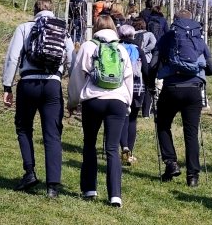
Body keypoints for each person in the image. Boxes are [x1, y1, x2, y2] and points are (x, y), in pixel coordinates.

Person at [2, 0, 75, 198]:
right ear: (52, 10)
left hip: (28, 83)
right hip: (53, 84)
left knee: (24, 127)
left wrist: (7, 85)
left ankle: (29, 172)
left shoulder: (24, 28)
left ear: (35, 11)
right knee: (52, 134)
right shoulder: (63, 29)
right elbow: (72, 58)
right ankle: (53, 186)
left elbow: (13, 57)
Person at [68, 15, 134, 207]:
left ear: (95, 27)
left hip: (93, 99)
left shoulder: (89, 46)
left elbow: (77, 75)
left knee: (89, 143)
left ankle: (90, 189)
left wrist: (72, 101)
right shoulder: (121, 48)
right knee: (112, 148)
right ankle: (115, 195)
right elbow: (128, 78)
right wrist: (127, 104)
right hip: (118, 101)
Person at [154, 9, 212, 186]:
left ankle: (171, 163)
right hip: (193, 91)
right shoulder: (199, 41)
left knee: (163, 124)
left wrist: (154, 79)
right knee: (191, 133)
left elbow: (153, 64)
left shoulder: (167, 38)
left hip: (171, 89)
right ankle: (193, 177)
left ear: (175, 22)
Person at [118, 24, 147, 166]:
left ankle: (124, 148)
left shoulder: (116, 48)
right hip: (137, 88)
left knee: (123, 118)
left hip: (120, 87)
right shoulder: (138, 50)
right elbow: (146, 70)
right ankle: (130, 152)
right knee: (133, 119)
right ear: (133, 35)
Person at [131, 17, 158, 117]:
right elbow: (154, 43)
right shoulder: (149, 34)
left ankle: (133, 106)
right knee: (147, 85)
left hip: (135, 61)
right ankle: (146, 112)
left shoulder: (133, 35)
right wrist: (145, 50)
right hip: (147, 60)